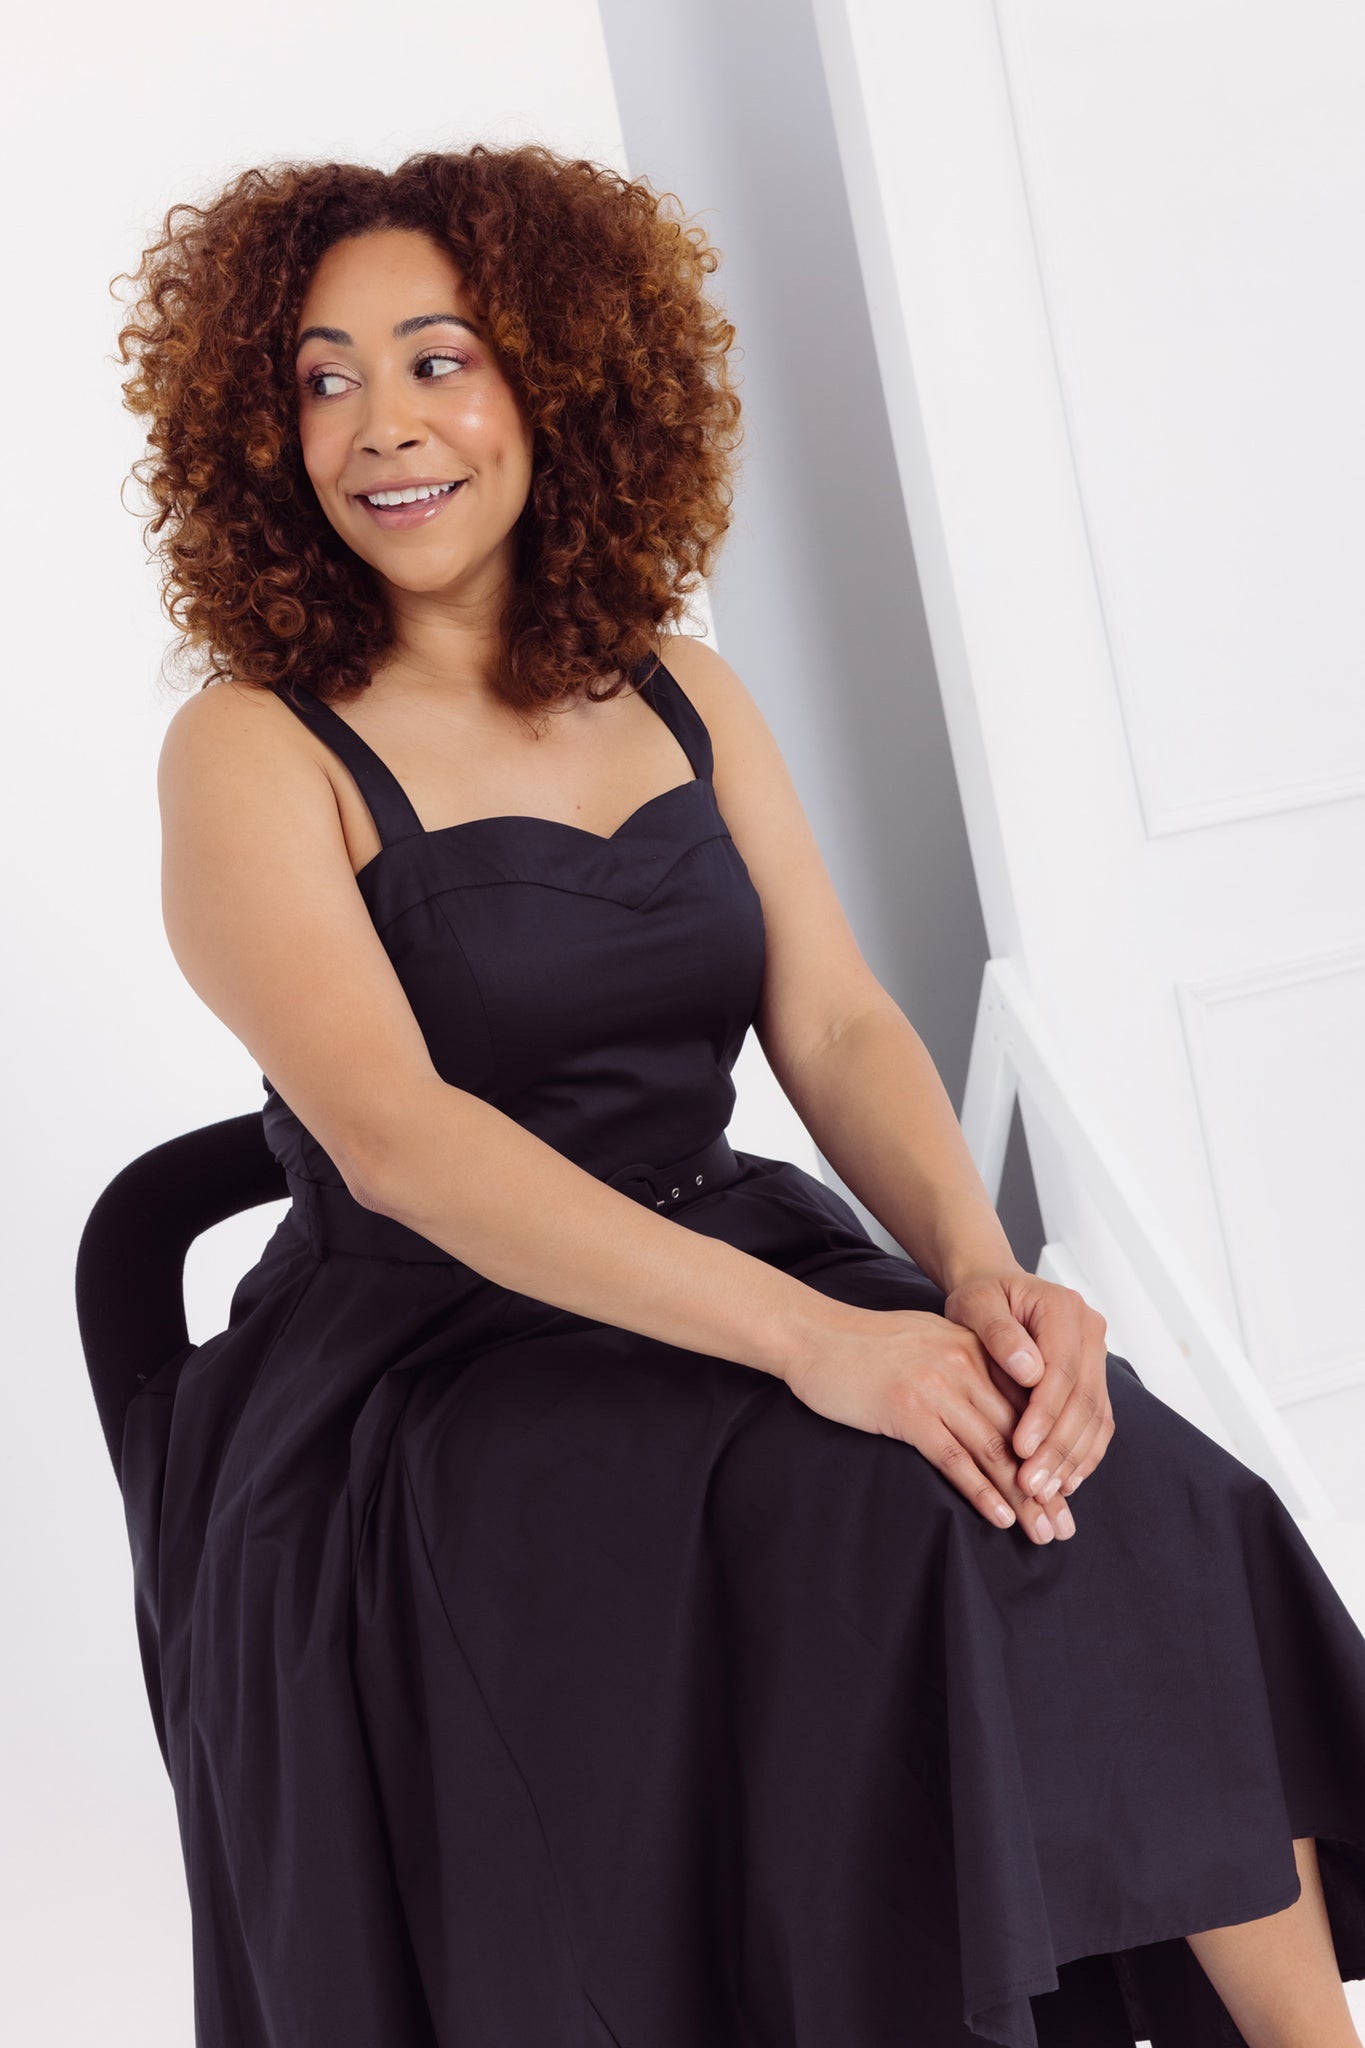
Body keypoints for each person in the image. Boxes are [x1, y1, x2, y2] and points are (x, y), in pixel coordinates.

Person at [111, 141, 1365, 2048]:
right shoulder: (249, 746)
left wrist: (978, 1280)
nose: (382, 426)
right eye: (323, 379)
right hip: (440, 1358)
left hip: (729, 1258)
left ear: (558, 379)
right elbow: (401, 1141)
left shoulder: (677, 688)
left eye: (440, 360)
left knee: (1124, 1484)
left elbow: (838, 1025)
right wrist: (819, 1347)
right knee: (898, 1513)